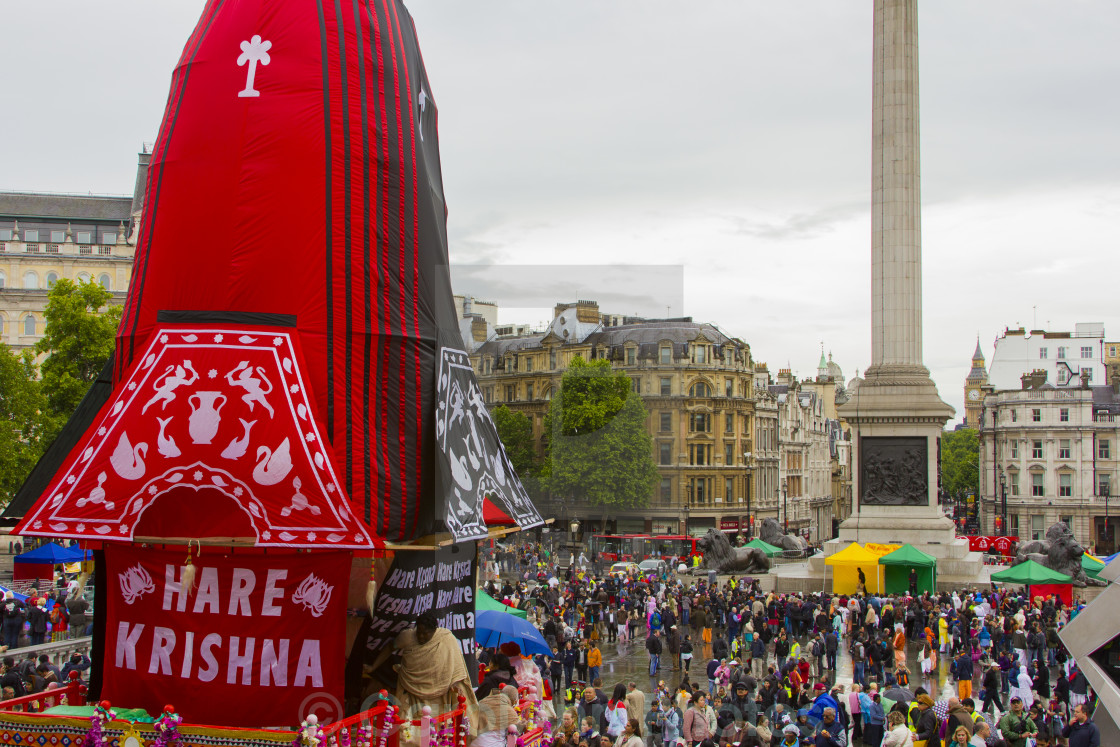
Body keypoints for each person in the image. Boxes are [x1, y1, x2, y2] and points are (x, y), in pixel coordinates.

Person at [393, 612, 478, 719]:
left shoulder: (446, 638)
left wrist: (455, 684)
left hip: (439, 696)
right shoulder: (408, 637)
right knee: (409, 730)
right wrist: (373, 667)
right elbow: (389, 647)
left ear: (434, 631)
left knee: (438, 729)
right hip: (411, 692)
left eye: (425, 633)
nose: (421, 636)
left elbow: (456, 667)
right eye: (419, 632)